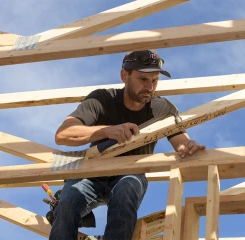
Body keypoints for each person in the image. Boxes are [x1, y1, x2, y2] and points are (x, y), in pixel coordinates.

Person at [50, 49, 206, 240]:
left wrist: (188, 147)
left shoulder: (162, 109)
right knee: (69, 202)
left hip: (130, 173)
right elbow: (63, 134)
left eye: (155, 80)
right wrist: (107, 130)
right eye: (143, 79)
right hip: (92, 173)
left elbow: (181, 143)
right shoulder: (101, 99)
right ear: (125, 75)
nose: (150, 86)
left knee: (126, 190)